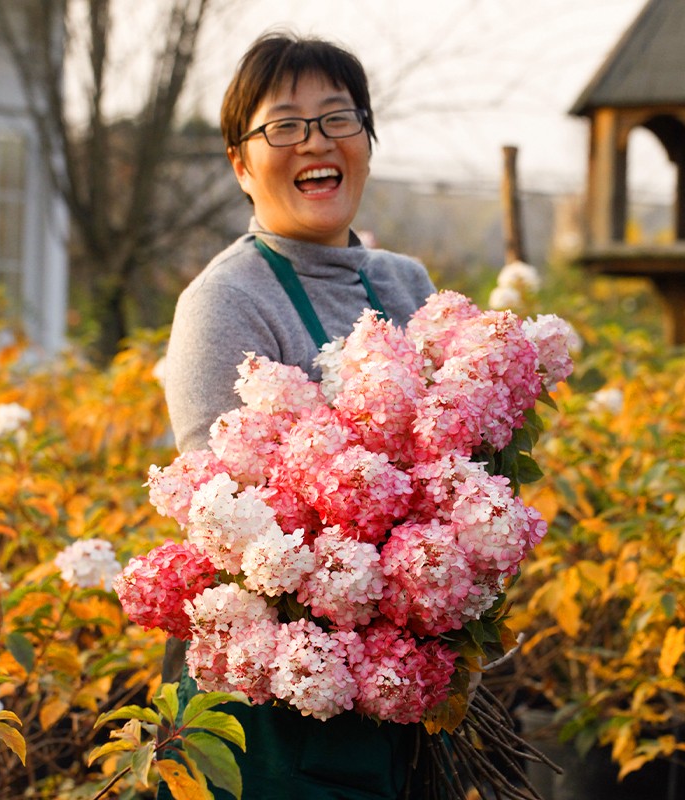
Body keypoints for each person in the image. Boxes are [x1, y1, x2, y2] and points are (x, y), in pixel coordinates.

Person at [159, 30, 437, 800]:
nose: (316, 141)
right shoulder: (226, 303)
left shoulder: (407, 284)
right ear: (242, 164)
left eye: (338, 117)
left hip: (403, 690)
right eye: (284, 124)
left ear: (367, 142)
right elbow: (224, 528)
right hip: (275, 711)